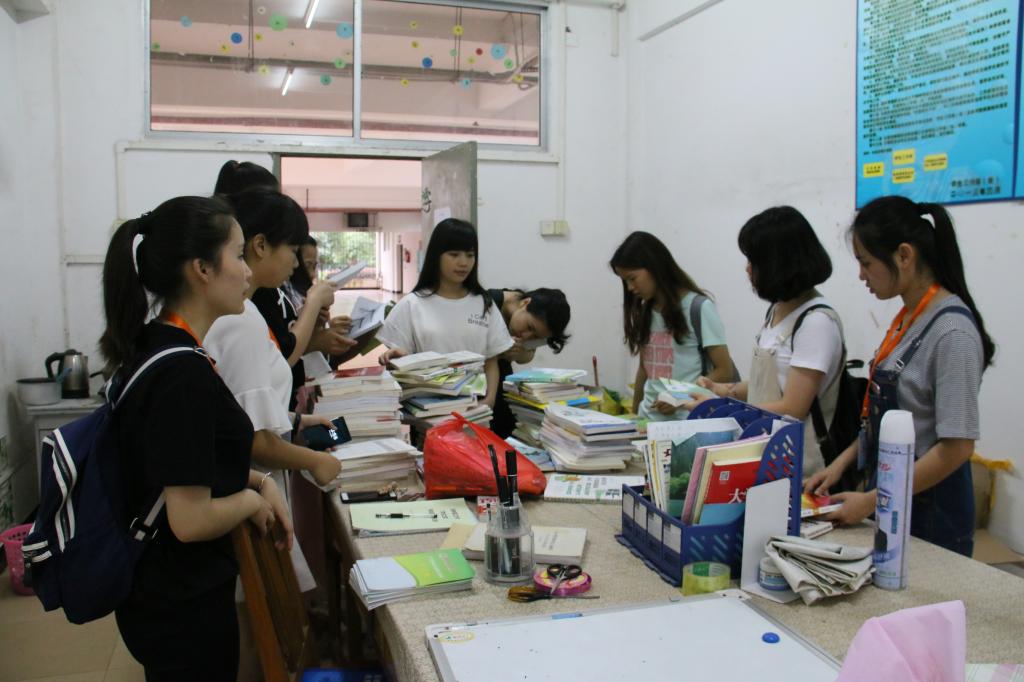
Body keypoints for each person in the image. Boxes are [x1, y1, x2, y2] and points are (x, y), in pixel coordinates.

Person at [101, 196, 292, 680]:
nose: (247, 270)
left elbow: (182, 463)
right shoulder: (181, 374)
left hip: (170, 591)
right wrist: (250, 502)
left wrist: (257, 481)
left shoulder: (164, 344)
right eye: (238, 255)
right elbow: (189, 519)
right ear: (202, 269)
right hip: (179, 602)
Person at [804, 196, 994, 557]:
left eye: (866, 263)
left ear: (904, 256)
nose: (861, 275)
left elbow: (957, 448)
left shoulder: (952, 332)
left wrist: (872, 500)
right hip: (891, 498)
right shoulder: (909, 319)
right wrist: (839, 466)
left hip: (931, 514)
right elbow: (888, 419)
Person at [204, 188, 345, 591]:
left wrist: (294, 420)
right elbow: (249, 438)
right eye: (294, 251)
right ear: (259, 246)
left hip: (249, 483)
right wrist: (313, 461)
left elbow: (235, 407)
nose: (296, 263)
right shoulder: (238, 318)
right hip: (247, 488)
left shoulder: (245, 310)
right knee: (259, 598)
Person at [687, 207, 844, 477]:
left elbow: (792, 408)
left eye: (754, 260)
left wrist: (721, 412)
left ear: (778, 263)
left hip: (798, 466)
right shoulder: (777, 310)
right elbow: (773, 386)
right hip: (765, 454)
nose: (748, 269)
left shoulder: (815, 322)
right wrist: (724, 390)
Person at [377, 218, 513, 408]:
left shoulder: (483, 303)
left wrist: (489, 401)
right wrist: (401, 357)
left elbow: (491, 361)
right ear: (436, 256)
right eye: (454, 254)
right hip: (427, 410)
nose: (463, 262)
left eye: (470, 255)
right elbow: (402, 363)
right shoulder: (412, 304)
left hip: (475, 409)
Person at [610, 231, 737, 421]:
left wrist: (679, 397)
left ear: (654, 267)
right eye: (625, 281)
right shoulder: (646, 310)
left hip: (686, 422)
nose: (629, 287)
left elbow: (724, 370)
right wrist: (635, 416)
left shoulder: (699, 308)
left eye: (632, 278)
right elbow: (644, 369)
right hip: (648, 420)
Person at [487, 287, 572, 438]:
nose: (526, 336)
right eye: (529, 327)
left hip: (501, 384)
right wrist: (498, 352)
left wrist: (519, 353)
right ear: (525, 303)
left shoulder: (537, 324)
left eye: (535, 336)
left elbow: (527, 355)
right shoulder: (486, 304)